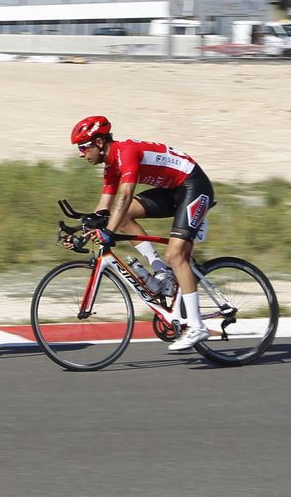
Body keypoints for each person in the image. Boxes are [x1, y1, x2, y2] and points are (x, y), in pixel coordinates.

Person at [71, 114, 216, 353]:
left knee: (175, 255)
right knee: (122, 217)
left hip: (194, 186)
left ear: (99, 142)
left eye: (83, 147)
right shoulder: (110, 166)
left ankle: (197, 326)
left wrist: (108, 232)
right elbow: (104, 209)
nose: (80, 153)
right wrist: (84, 232)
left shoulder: (125, 152)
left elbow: (125, 196)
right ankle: (160, 271)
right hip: (174, 190)